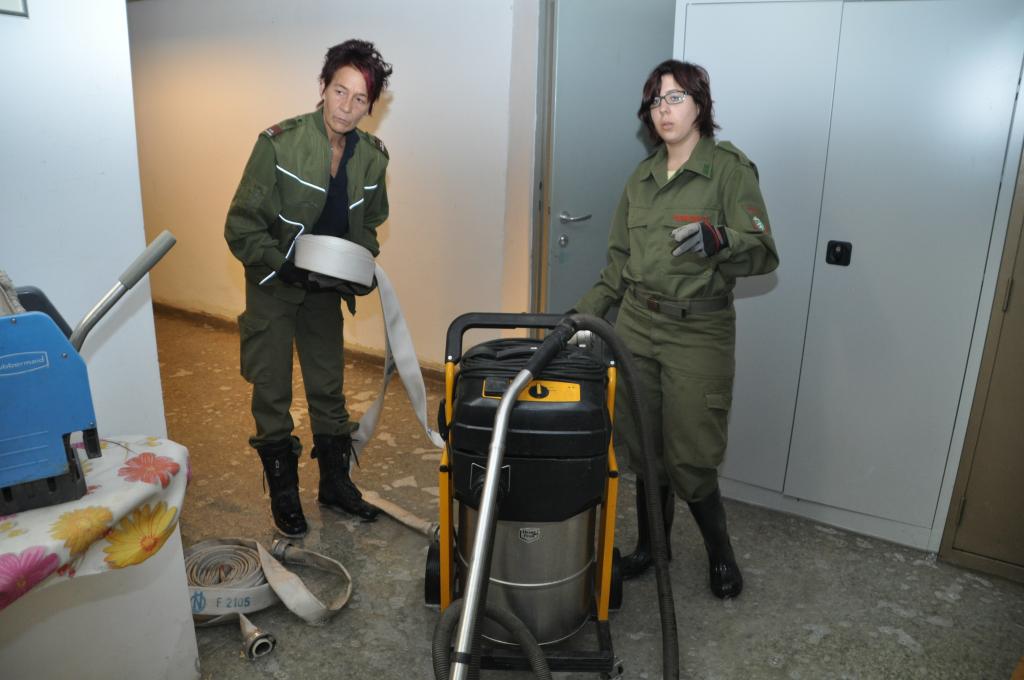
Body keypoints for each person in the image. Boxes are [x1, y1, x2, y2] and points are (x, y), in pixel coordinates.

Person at [573, 60, 779, 598]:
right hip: (637, 326)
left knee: (692, 456)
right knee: (644, 449)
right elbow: (618, 264)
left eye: (676, 98)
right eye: (656, 101)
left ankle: (721, 554)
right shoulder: (640, 179)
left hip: (699, 332)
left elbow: (764, 252)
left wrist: (722, 241)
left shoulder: (729, 170)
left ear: (700, 105)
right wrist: (581, 316)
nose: (664, 110)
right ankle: (652, 547)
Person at [224, 40, 393, 537]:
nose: (346, 107)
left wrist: (356, 266)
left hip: (323, 289)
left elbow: (370, 224)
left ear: (370, 105)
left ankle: (335, 485)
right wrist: (282, 266)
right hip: (273, 285)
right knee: (272, 390)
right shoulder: (278, 144)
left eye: (359, 99)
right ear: (323, 87)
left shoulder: (373, 158)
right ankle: (284, 495)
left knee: (328, 387)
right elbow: (241, 226)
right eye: (340, 91)